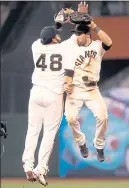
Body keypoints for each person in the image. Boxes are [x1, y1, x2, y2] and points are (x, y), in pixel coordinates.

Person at [22, 25, 78, 186]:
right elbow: (75, 37)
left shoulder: (36, 46)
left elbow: (43, 39)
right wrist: (75, 20)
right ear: (53, 39)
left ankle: (27, 165)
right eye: (56, 35)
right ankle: (40, 169)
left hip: (36, 92)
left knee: (32, 131)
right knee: (49, 134)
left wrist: (56, 25)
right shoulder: (64, 48)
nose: (58, 36)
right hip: (54, 95)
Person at [64, 18, 112, 162]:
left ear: (87, 35)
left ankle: (99, 146)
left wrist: (94, 26)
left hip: (92, 90)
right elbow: (68, 71)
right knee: (71, 118)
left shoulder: (97, 46)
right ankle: (81, 143)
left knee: (103, 117)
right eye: (76, 34)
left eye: (79, 34)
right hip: (75, 90)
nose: (77, 37)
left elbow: (109, 42)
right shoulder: (73, 49)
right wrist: (67, 83)